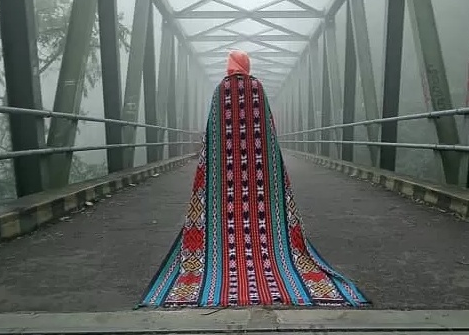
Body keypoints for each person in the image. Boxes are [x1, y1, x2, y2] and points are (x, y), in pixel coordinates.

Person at [140, 50, 368, 308]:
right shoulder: (257, 88)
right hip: (258, 171)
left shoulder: (220, 90)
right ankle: (276, 264)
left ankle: (217, 267)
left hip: (224, 174)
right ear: (246, 65)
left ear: (230, 66)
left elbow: (212, 131)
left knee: (223, 213)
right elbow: (269, 130)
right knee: (265, 219)